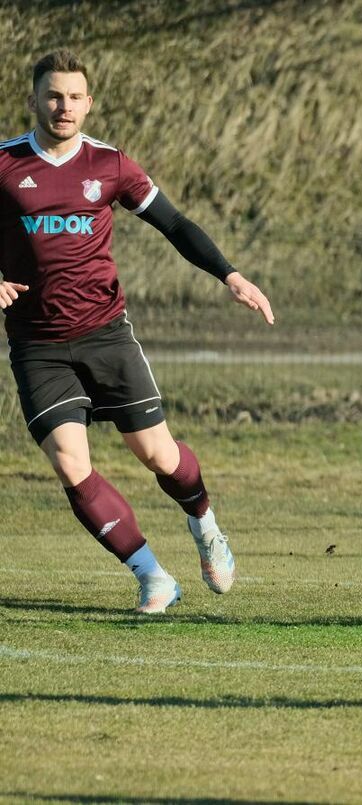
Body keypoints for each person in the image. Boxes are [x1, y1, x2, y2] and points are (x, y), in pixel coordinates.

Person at [1, 50, 274, 614]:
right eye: (54, 95)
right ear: (33, 100)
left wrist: (231, 274)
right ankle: (152, 577)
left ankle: (205, 525)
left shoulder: (110, 165)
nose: (64, 106)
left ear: (89, 103)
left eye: (75, 97)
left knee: (157, 454)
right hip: (38, 345)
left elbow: (173, 223)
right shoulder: (3, 164)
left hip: (105, 334)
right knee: (71, 464)